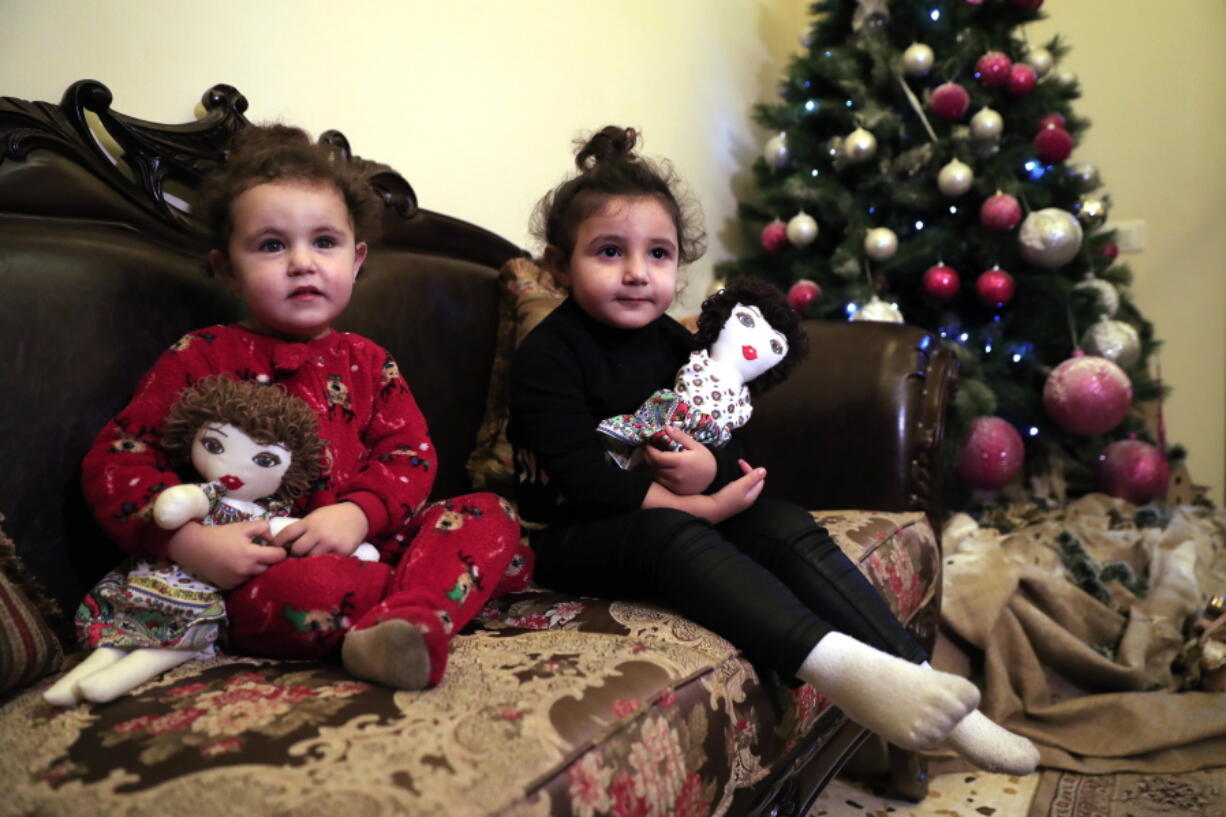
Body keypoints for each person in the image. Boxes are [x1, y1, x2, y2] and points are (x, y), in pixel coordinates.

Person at [508, 125, 1039, 774]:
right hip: (569, 536)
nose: (637, 273)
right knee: (673, 538)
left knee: (783, 521)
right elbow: (581, 479)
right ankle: (844, 671)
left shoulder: (676, 347)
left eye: (659, 255)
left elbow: (726, 442)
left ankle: (932, 689)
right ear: (560, 265)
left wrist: (712, 469)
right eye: (610, 251)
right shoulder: (547, 354)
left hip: (673, 502)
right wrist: (700, 507)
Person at [81, 124, 526, 692]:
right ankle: (426, 600)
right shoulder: (200, 357)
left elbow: (409, 455)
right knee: (310, 594)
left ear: (357, 258)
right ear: (226, 268)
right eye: (271, 245)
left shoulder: (369, 362)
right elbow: (117, 462)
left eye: (324, 242)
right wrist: (188, 544)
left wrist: (359, 514)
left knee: (491, 513)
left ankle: (410, 616)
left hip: (369, 541)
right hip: (263, 569)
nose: (301, 262)